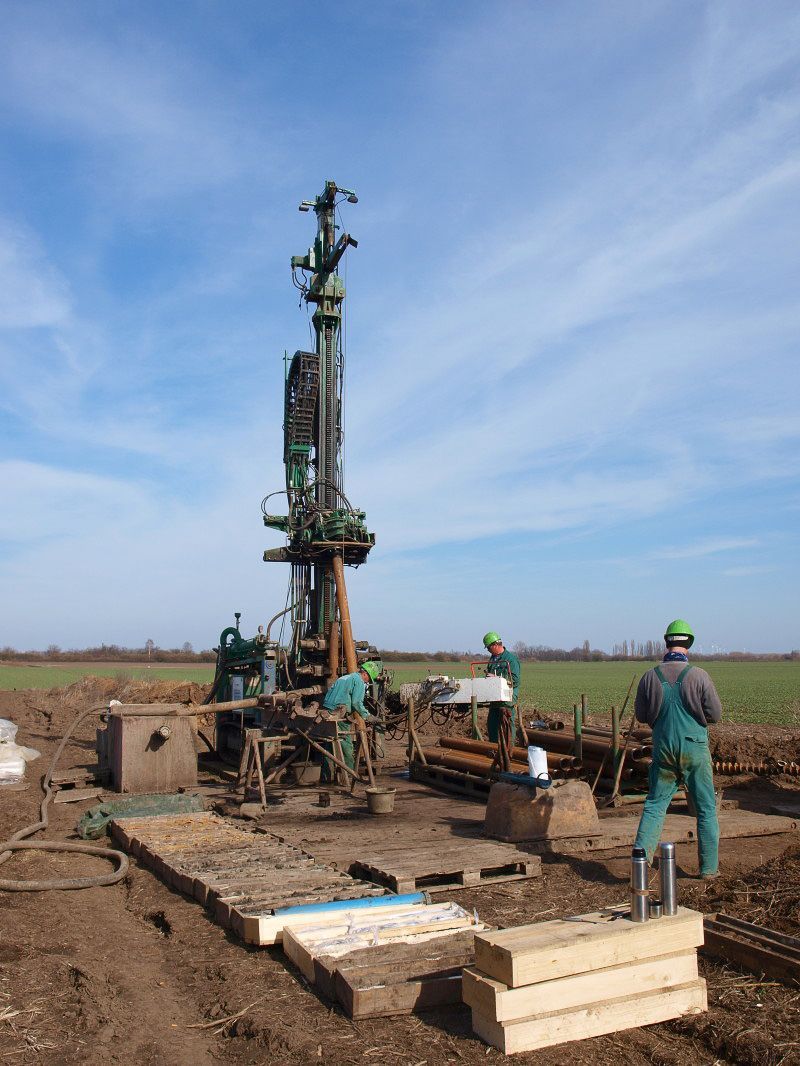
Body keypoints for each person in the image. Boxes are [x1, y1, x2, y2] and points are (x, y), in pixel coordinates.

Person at [633, 620, 722, 879]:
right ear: (689, 644)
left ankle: (640, 863)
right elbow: (714, 714)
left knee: (654, 806)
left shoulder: (650, 677)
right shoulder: (699, 675)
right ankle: (708, 869)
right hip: (695, 750)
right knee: (705, 809)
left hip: (663, 749)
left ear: (666, 643)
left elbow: (641, 715)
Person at [321, 660, 380, 776]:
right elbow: (357, 702)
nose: (368, 681)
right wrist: (367, 716)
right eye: (369, 679)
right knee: (346, 744)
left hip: (326, 711)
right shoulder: (358, 681)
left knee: (329, 744)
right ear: (366, 674)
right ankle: (349, 774)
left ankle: (327, 775)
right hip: (338, 714)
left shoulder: (346, 677)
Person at [482, 632, 521, 744]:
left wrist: (498, 678)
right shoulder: (493, 659)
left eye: (488, 648)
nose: (488, 650)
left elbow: (515, 680)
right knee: (492, 725)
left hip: (506, 698)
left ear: (495, 645)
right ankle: (494, 748)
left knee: (507, 726)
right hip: (494, 698)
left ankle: (510, 750)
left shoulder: (511, 659)